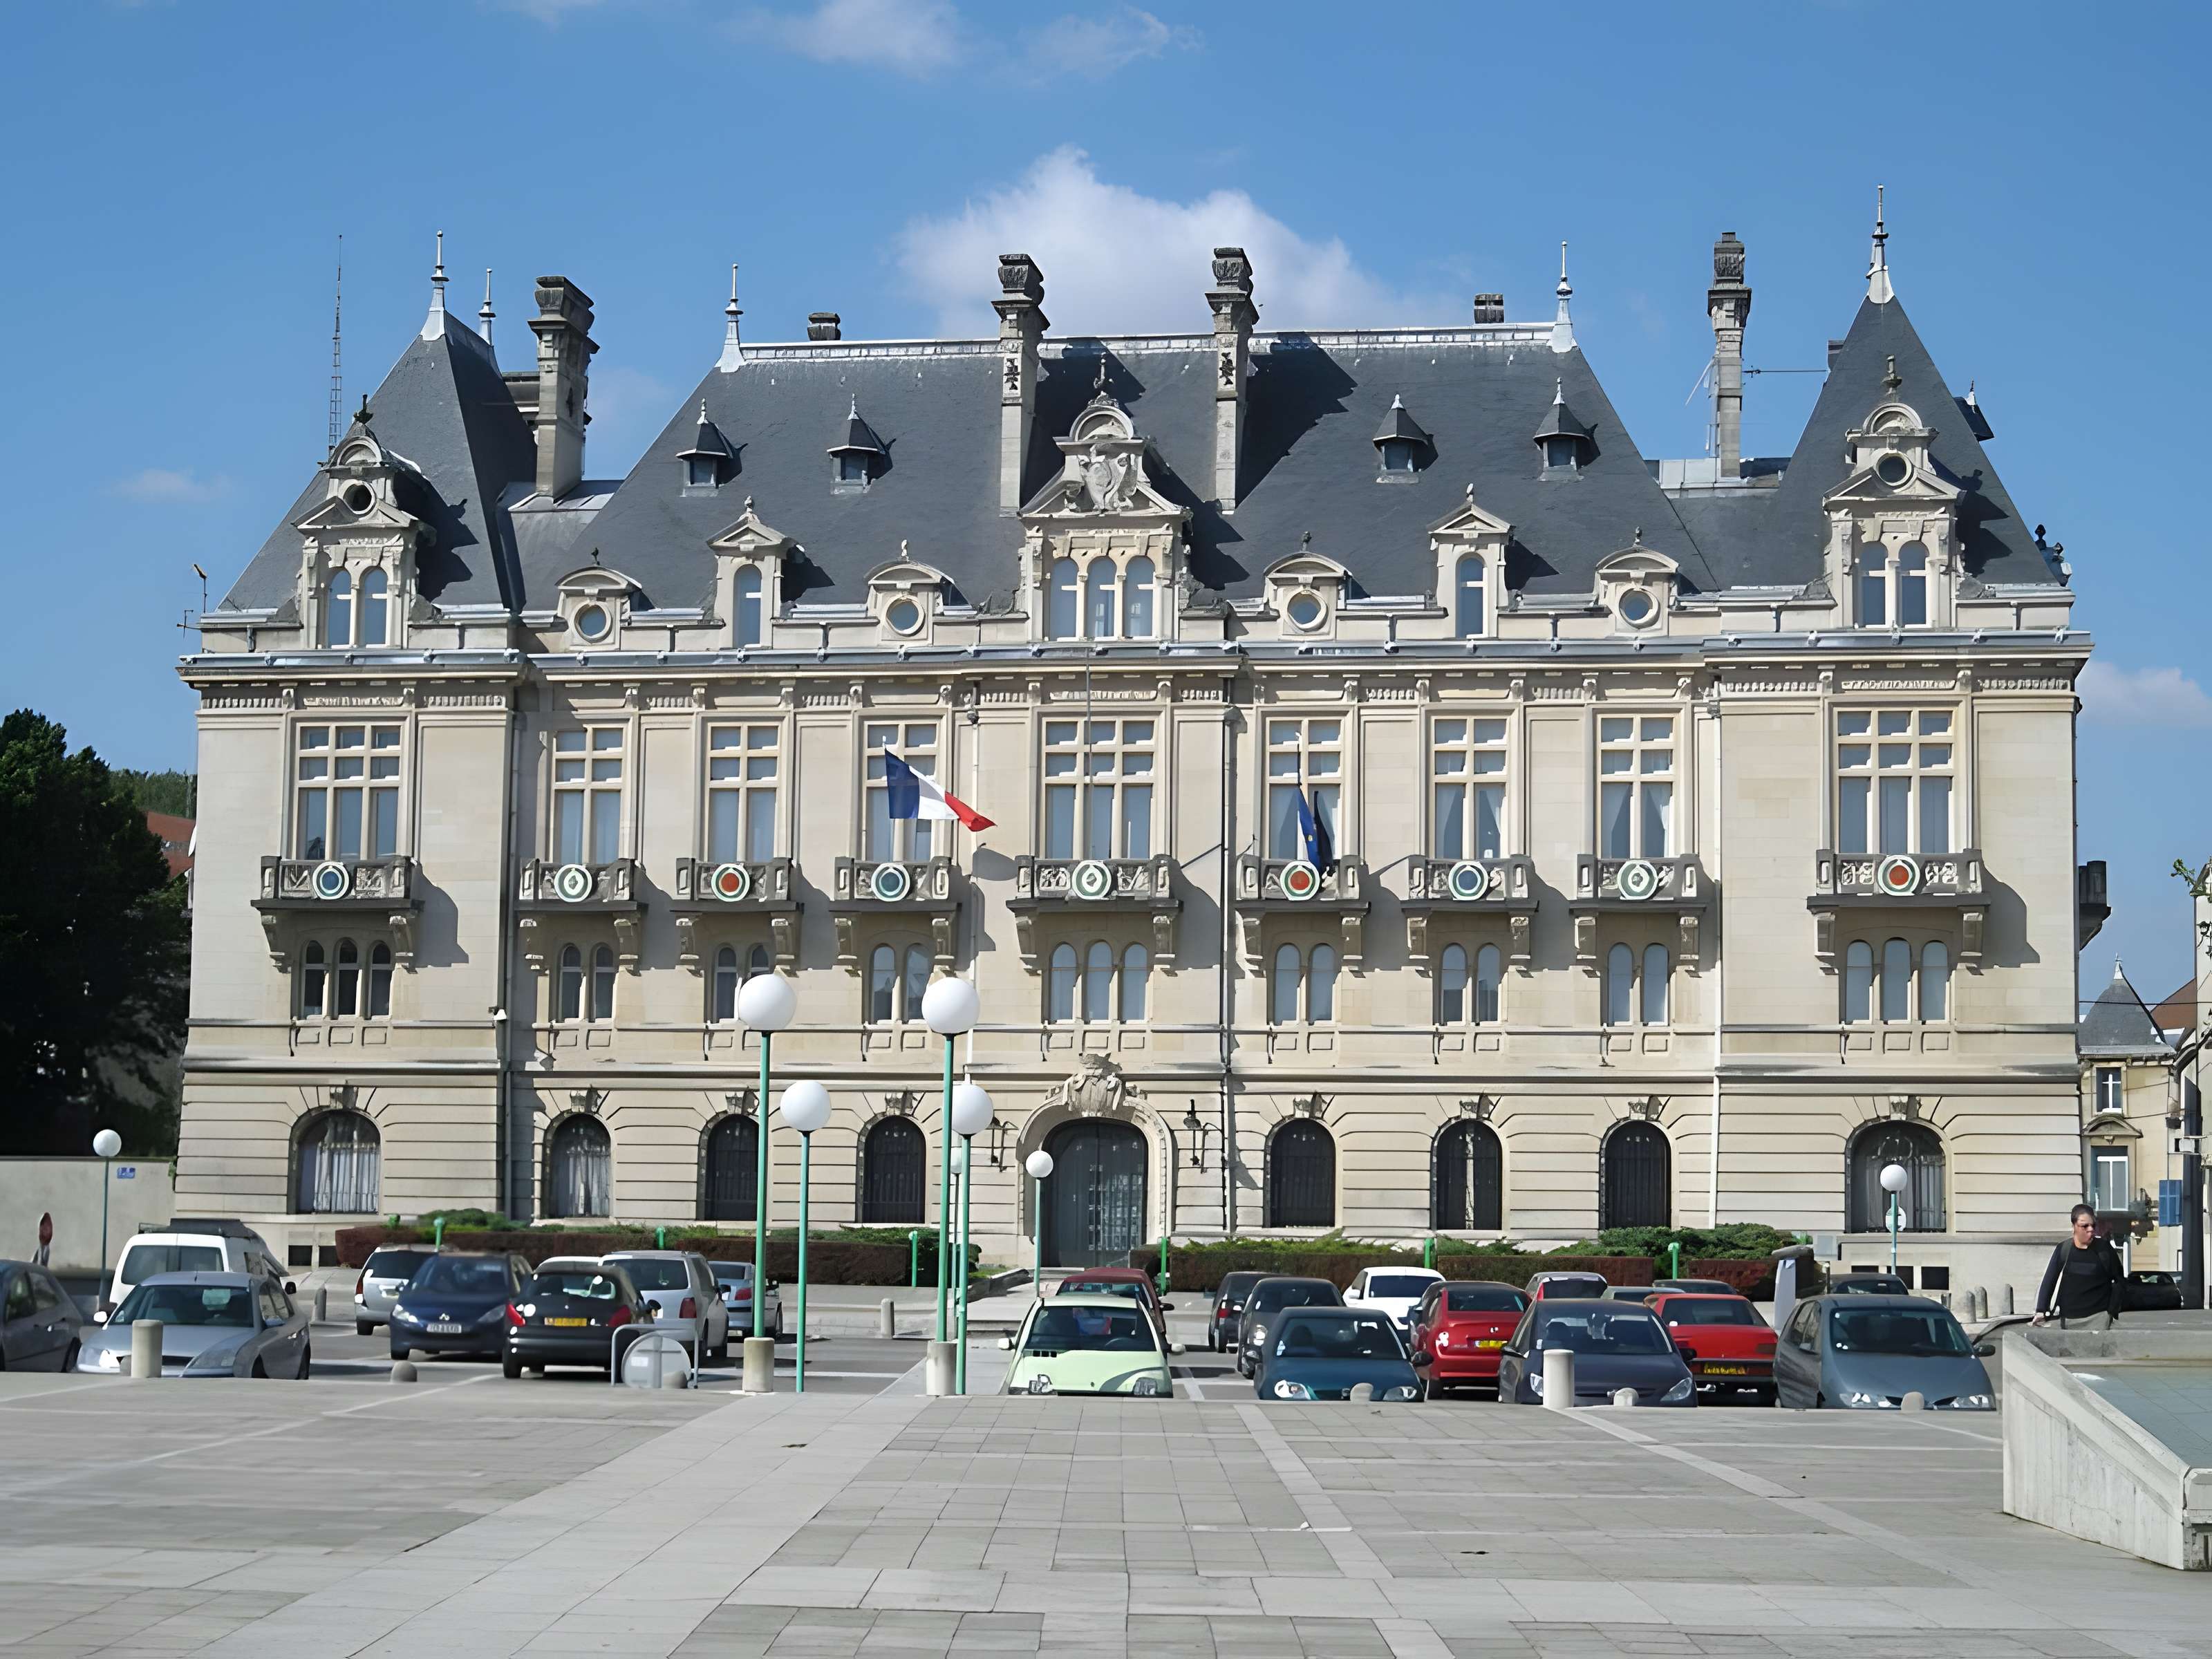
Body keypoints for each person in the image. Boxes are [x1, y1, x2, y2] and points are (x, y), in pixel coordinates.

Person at [2030, 1203, 2124, 1328]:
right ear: (2074, 1226)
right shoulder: (2064, 1249)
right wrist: (2041, 1310)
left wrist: (2111, 1311)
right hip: (2068, 1320)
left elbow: (2120, 1281)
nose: (2091, 1229)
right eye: (2085, 1226)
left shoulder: (2105, 1250)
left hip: (2098, 1319)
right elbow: (2049, 1280)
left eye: (2093, 1225)